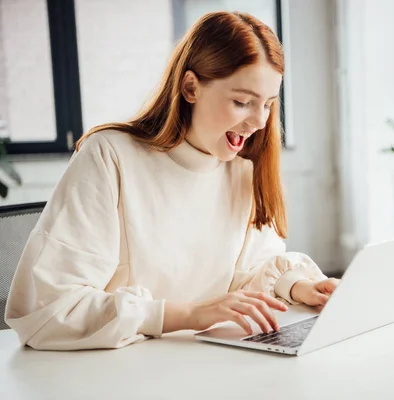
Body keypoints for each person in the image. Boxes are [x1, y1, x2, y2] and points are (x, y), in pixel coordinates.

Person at [5, 11, 339, 351]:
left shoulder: (241, 168)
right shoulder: (110, 156)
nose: (258, 121)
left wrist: (299, 285)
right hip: (117, 369)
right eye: (242, 102)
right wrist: (188, 314)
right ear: (191, 87)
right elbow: (52, 309)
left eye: (267, 104)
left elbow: (252, 269)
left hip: (207, 362)